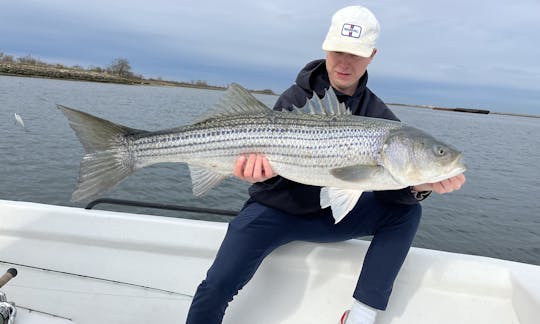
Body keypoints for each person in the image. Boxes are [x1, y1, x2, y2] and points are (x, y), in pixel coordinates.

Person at [186, 5, 465, 324]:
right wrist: (256, 175)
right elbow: (271, 180)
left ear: (372, 55)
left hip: (331, 218)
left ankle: (361, 314)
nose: (345, 62)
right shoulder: (295, 99)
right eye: (339, 51)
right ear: (326, 47)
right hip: (276, 213)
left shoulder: (382, 118)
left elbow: (389, 194)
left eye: (356, 54)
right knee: (216, 285)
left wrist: (418, 187)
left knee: (407, 212)